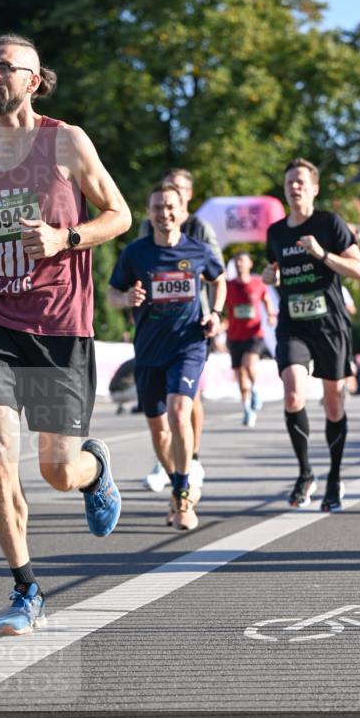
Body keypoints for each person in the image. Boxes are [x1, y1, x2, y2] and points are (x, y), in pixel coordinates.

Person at [0, 33, 131, 635]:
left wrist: (65, 239)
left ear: (34, 80)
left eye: (2, 68)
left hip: (60, 328)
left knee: (56, 471)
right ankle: (26, 589)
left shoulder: (66, 142)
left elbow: (118, 214)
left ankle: (93, 468)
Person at [108, 181, 225, 530]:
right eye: (158, 207)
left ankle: (184, 490)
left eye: (171, 206)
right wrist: (126, 299)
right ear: (150, 212)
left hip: (187, 345)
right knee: (159, 432)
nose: (165, 213)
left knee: (179, 411)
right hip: (148, 351)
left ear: (182, 210)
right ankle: (176, 484)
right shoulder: (135, 253)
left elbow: (219, 281)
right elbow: (113, 293)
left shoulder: (199, 250)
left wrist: (215, 313)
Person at [263, 158, 360, 512]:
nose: (295, 187)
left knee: (334, 402)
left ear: (314, 188)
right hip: (294, 324)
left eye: (301, 182)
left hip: (330, 324)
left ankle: (335, 477)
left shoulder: (329, 224)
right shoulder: (276, 233)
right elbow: (275, 270)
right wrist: (270, 277)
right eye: (289, 181)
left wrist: (322, 254)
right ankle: (306, 472)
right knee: (293, 393)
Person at [140, 168, 224, 491]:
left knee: (187, 399)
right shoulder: (149, 227)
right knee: (167, 410)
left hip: (194, 323)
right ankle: (172, 461)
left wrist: (215, 313)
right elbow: (141, 265)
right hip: (155, 328)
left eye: (181, 190)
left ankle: (193, 457)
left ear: (188, 196)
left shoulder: (199, 229)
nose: (172, 197)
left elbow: (217, 273)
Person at [225, 249, 277, 427]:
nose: (239, 264)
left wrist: (271, 314)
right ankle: (247, 408)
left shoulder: (257, 283)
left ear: (249, 264)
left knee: (249, 365)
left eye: (242, 261)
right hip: (234, 335)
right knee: (240, 375)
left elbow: (267, 300)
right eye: (236, 261)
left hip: (254, 334)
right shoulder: (228, 285)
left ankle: (254, 389)